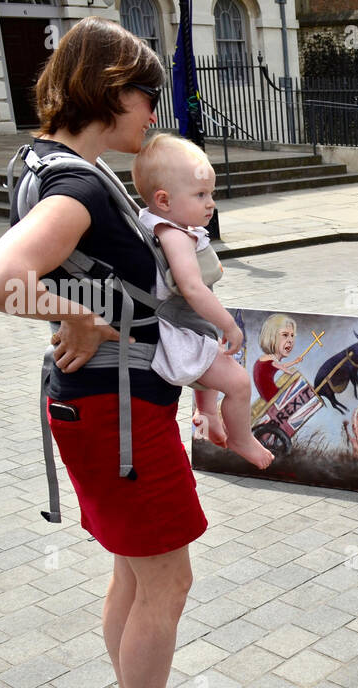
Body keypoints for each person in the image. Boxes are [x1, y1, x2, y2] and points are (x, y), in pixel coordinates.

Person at [0, 17, 238, 688]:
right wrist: (71, 313)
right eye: (147, 95)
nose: (154, 113)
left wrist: (77, 307)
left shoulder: (37, 161)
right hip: (116, 410)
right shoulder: (80, 182)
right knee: (167, 578)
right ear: (112, 89)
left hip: (95, 404)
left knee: (132, 570)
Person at [132, 133, 272, 469]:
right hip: (176, 328)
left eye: (211, 194)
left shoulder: (167, 223)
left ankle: (207, 414)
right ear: (164, 200)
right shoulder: (174, 234)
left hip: (186, 323)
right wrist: (228, 323)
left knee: (211, 362)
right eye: (200, 194)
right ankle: (241, 438)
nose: (211, 203)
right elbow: (192, 288)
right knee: (238, 382)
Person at [253, 313, 304, 406]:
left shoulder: (267, 359)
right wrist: (293, 374)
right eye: (285, 335)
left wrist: (295, 362)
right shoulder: (270, 360)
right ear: (271, 337)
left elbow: (281, 366)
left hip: (270, 398)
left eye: (292, 335)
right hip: (274, 398)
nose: (290, 340)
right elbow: (284, 369)